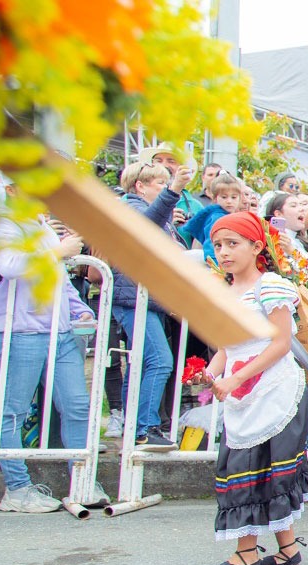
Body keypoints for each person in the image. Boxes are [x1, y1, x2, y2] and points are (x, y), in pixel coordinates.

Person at [192, 212, 308, 565]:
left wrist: (235, 378)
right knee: (250, 466)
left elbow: (280, 344)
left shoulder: (271, 286)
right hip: (243, 391)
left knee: (252, 468)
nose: (224, 252)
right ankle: (288, 548)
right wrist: (211, 374)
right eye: (219, 245)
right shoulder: (225, 292)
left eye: (233, 244)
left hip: (273, 388)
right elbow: (229, 348)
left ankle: (245, 555)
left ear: (257, 246)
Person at [0, 189, 105, 512]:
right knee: (10, 411)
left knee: (76, 406)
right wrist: (59, 250)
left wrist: (79, 310)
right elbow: (11, 266)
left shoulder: (41, 224)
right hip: (18, 331)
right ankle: (17, 489)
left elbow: (57, 278)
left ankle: (83, 480)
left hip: (58, 332)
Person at [117, 160, 189, 450]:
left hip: (146, 298)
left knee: (140, 365)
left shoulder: (150, 212)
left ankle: (133, 427)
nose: (164, 188)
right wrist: (174, 190)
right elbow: (146, 228)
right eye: (159, 183)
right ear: (140, 186)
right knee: (160, 361)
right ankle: (144, 428)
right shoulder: (129, 207)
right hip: (134, 297)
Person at [138, 143, 205, 227]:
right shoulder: (138, 202)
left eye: (171, 161)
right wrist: (167, 223)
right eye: (158, 161)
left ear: (182, 167)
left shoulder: (195, 206)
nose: (164, 165)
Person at [181, 172, 242, 261]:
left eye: (233, 197)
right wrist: (216, 265)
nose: (229, 201)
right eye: (224, 197)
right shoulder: (217, 218)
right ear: (215, 198)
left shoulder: (229, 216)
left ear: (239, 198)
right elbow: (211, 244)